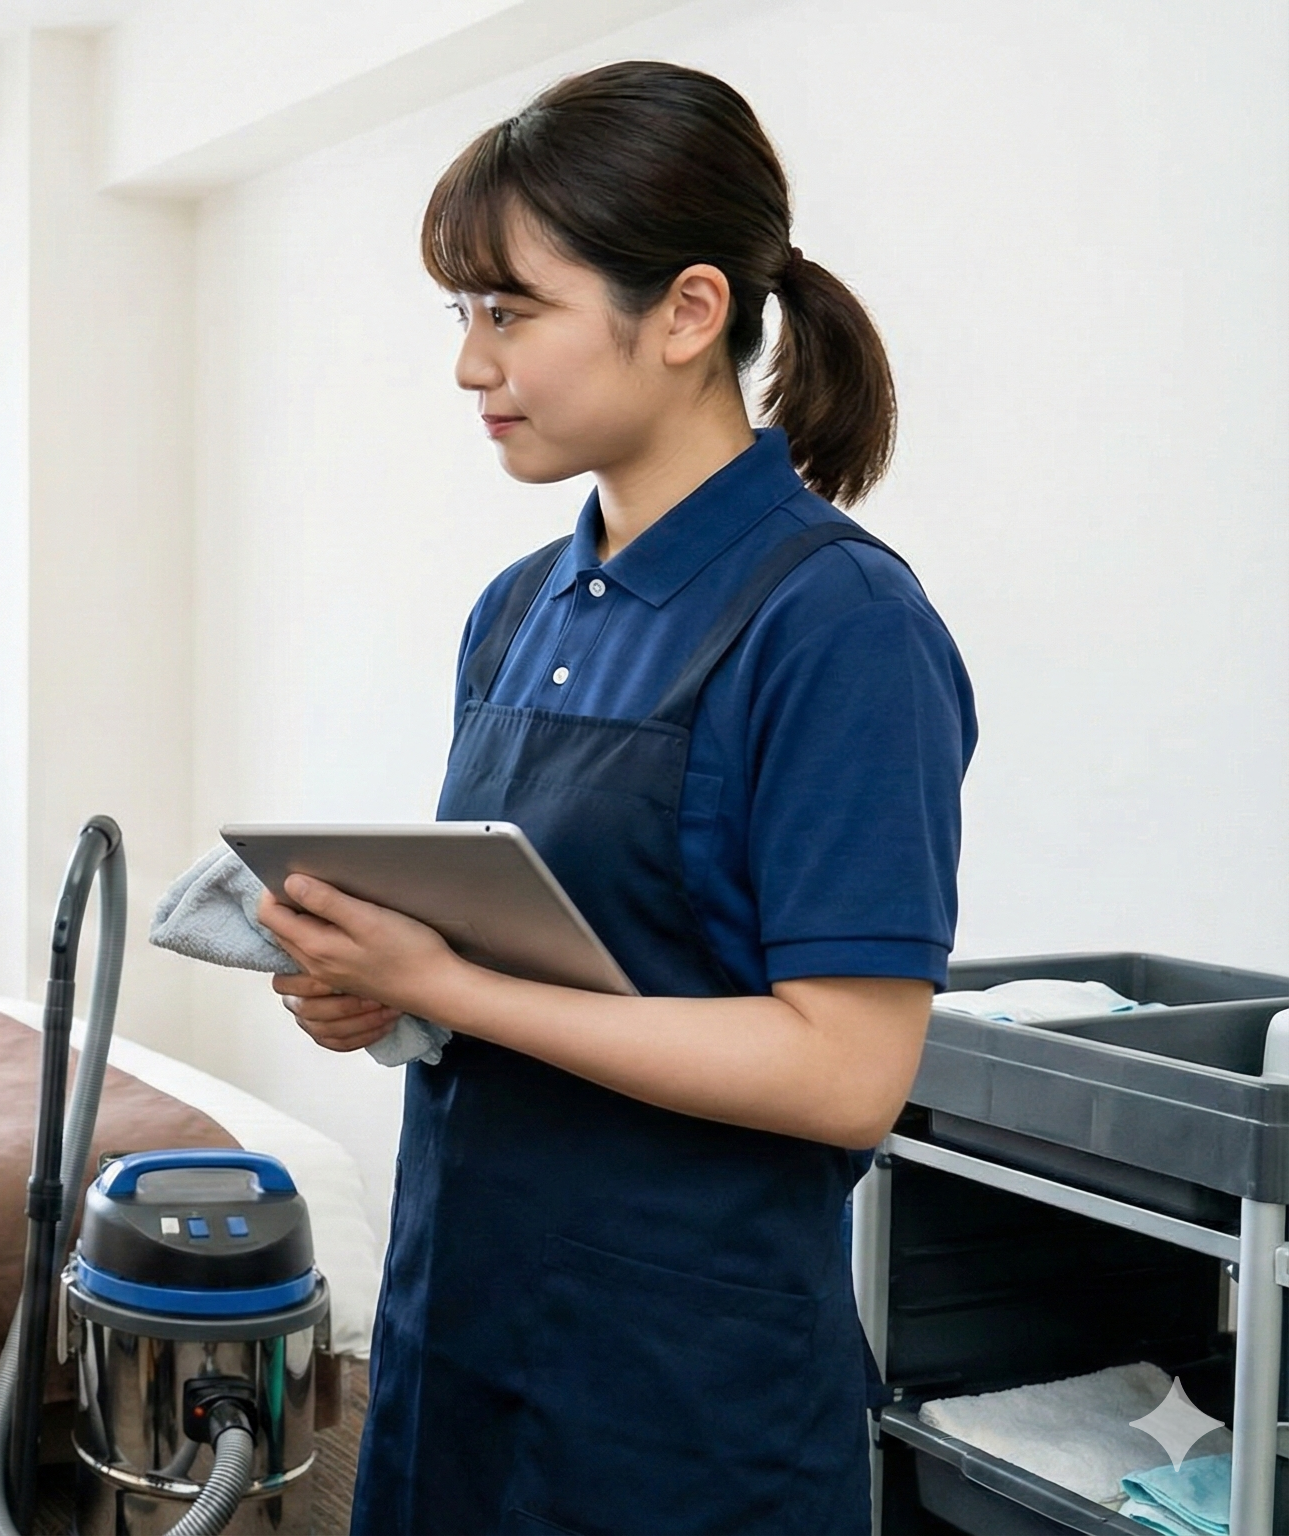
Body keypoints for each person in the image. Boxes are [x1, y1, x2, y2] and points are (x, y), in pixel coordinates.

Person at [253, 62, 976, 1535]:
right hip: (460, 1323)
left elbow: (848, 1072)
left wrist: (456, 981)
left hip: (678, 1398)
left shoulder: (838, 624)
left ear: (689, 313)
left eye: (510, 313)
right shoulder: (518, 608)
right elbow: (560, 947)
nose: (470, 365)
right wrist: (390, 997)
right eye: (462, 316)